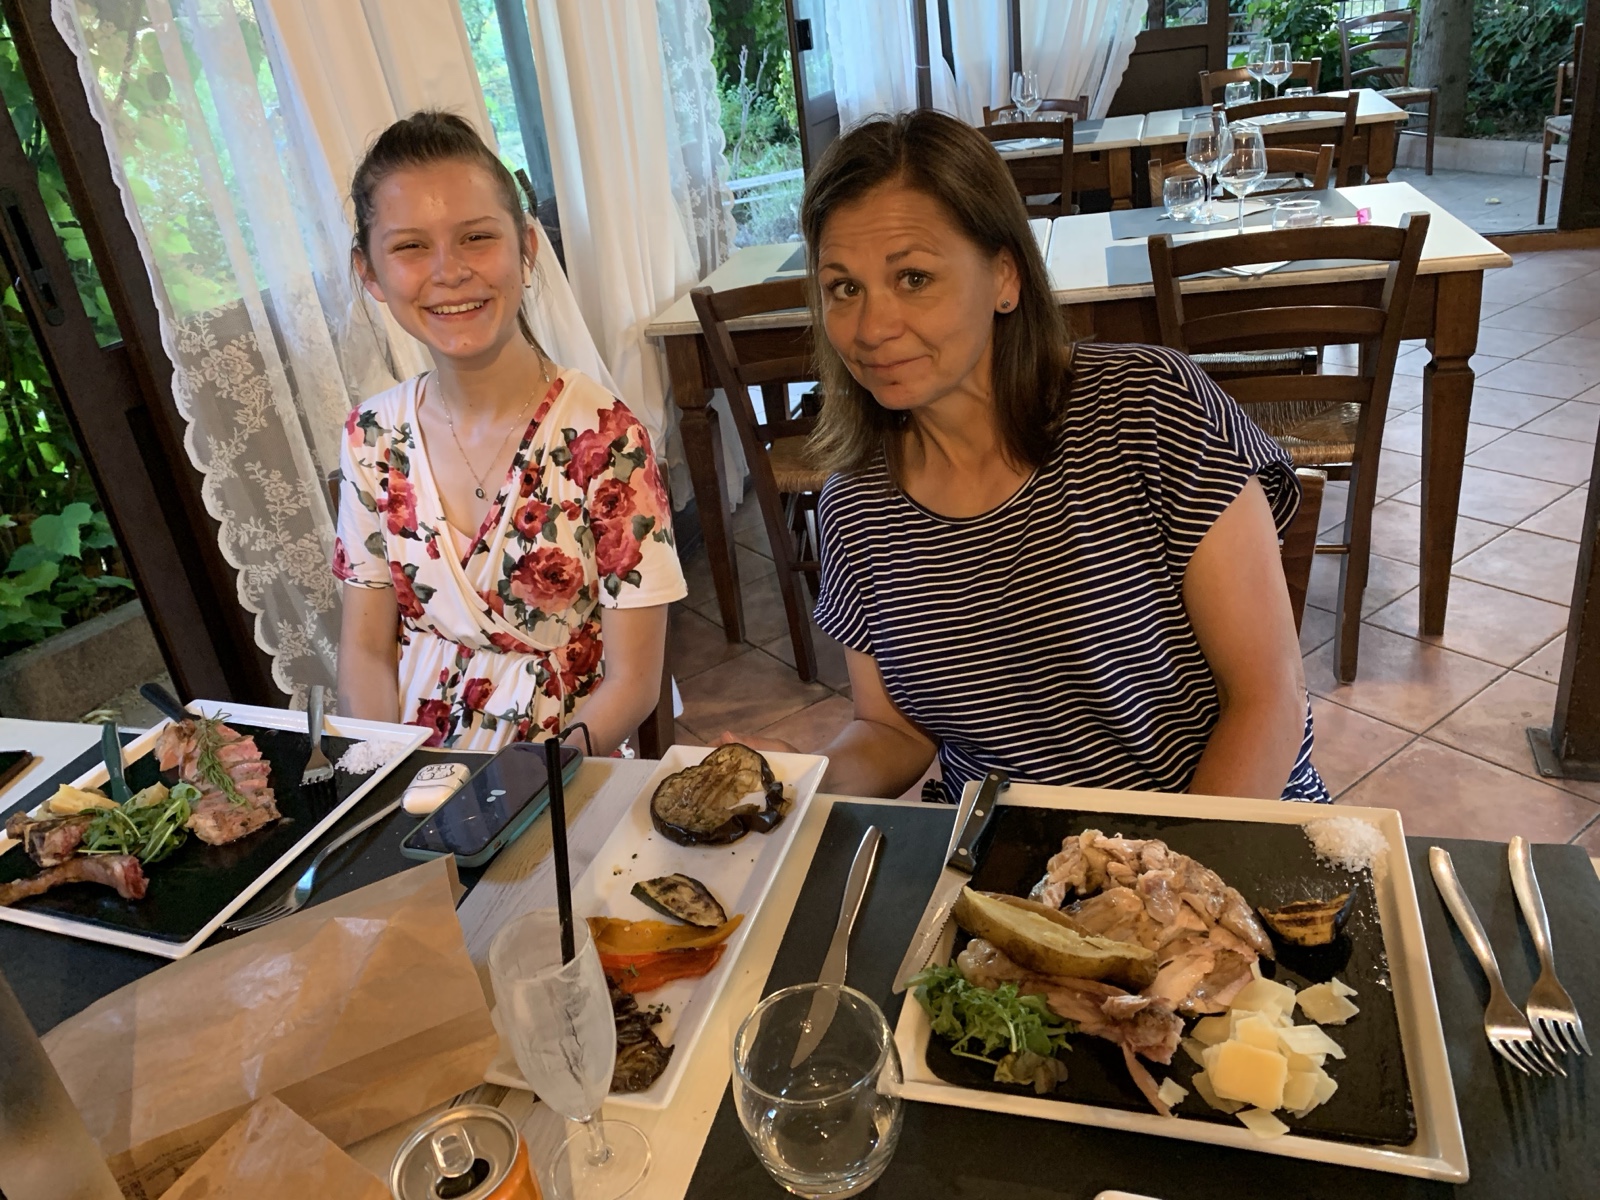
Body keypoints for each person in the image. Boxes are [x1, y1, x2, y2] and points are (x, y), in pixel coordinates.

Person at [721, 110, 1327, 803]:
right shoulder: (855, 505)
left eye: (913, 277)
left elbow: (1268, 697)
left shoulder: (1149, 406)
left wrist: (1167, 864)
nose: (872, 328)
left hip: (1215, 830)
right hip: (998, 851)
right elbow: (892, 730)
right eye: (844, 287)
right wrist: (799, 783)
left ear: (1005, 277)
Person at [333, 111, 685, 752]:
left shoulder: (606, 440)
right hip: (413, 767)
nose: (448, 271)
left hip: (564, 767)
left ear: (525, 247)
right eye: (410, 247)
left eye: (476, 237)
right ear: (371, 273)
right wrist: (383, 769)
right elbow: (365, 650)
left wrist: (530, 787)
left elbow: (634, 683)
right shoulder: (371, 438)